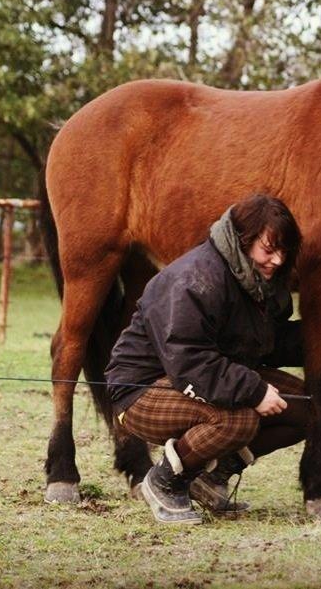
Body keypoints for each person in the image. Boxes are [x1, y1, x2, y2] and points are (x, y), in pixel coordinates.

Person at [105, 194, 308, 525]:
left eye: (285, 251)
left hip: (195, 380)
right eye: (269, 250)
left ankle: (210, 477)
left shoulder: (255, 280)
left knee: (305, 407)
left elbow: (266, 343)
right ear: (243, 240)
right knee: (238, 420)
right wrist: (254, 391)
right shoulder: (198, 278)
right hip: (140, 391)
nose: (278, 261)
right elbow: (189, 360)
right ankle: (163, 481)